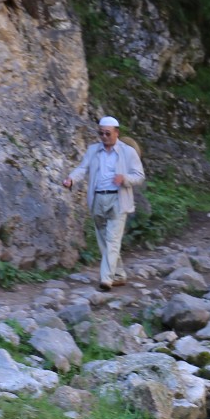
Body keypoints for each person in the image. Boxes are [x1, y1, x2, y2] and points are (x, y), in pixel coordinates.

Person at [65, 116, 146, 291]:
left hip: (118, 198)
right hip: (97, 199)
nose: (104, 136)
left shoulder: (128, 152)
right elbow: (82, 168)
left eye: (107, 133)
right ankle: (119, 275)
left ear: (116, 133)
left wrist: (124, 178)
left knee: (112, 239)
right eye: (100, 133)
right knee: (104, 240)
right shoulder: (93, 150)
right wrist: (71, 179)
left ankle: (106, 279)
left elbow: (139, 176)